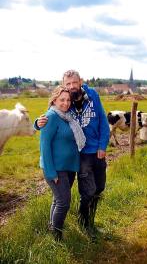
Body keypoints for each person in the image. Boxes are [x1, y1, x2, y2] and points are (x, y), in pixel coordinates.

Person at [36, 70, 110, 238]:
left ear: (80, 82)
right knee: (88, 192)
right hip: (82, 155)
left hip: (97, 151)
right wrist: (36, 123)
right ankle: (84, 223)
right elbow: (51, 116)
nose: (71, 87)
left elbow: (103, 121)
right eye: (67, 84)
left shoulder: (92, 96)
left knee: (99, 188)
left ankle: (86, 220)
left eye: (74, 83)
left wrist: (102, 145)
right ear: (63, 86)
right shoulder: (65, 105)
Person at [39, 85, 85, 241]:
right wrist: (51, 173)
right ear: (54, 100)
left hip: (69, 167)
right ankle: (56, 236)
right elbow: (44, 146)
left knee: (58, 200)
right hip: (56, 169)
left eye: (68, 100)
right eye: (62, 100)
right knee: (64, 202)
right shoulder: (50, 117)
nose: (66, 103)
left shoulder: (67, 116)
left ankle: (52, 227)